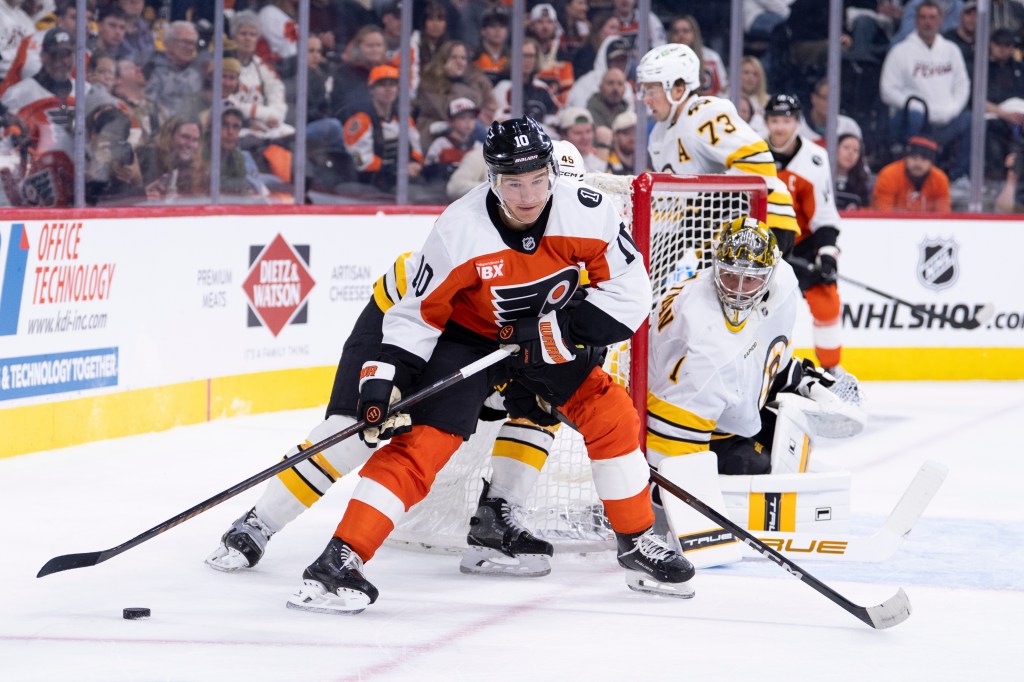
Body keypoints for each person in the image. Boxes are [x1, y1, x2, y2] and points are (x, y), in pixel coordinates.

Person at [286, 117, 694, 614]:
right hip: (470, 338)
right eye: (513, 183)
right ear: (492, 180)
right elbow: (419, 313)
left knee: (609, 411)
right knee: (426, 442)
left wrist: (556, 333)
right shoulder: (460, 228)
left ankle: (636, 541)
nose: (528, 195)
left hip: (546, 336)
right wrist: (385, 376)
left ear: (552, 172)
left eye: (538, 179)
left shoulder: (589, 213)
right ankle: (340, 557)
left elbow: (630, 297)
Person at [646, 217, 841, 487]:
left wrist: (794, 376)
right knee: (755, 464)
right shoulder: (705, 346)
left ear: (770, 273)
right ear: (715, 266)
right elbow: (668, 463)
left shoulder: (782, 284)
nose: (737, 290)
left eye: (749, 279)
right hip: (665, 419)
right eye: (729, 275)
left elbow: (759, 348)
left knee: (791, 431)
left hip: (699, 403)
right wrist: (680, 501)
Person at [637, 43, 799, 256]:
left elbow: (759, 165)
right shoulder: (659, 135)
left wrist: (704, 212)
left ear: (678, 89)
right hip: (717, 231)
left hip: (766, 221)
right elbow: (678, 204)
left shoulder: (705, 113)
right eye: (643, 89)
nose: (645, 99)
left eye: (651, 90)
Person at [764, 94, 848, 375]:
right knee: (764, 313)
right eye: (774, 120)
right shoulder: (754, 155)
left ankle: (831, 370)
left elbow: (823, 213)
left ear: (797, 123)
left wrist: (827, 254)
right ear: (766, 122)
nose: (780, 128)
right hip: (764, 246)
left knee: (827, 303)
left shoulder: (814, 158)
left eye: (786, 121)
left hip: (802, 245)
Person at [880, 0, 971, 181]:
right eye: (923, 17)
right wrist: (918, 106)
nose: (927, 22)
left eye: (932, 18)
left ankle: (958, 178)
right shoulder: (901, 51)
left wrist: (951, 109)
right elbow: (887, 90)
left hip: (945, 119)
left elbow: (963, 85)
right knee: (915, 116)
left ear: (941, 20)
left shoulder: (951, 50)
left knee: (971, 120)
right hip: (912, 120)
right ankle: (913, 176)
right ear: (915, 20)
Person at [343, 64, 423, 191]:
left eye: (392, 84)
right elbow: (360, 161)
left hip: (402, 178)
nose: (388, 89)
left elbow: (416, 148)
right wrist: (395, 169)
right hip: (372, 181)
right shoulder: (361, 119)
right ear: (372, 90)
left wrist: (415, 164)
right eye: (382, 85)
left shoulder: (404, 117)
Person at [413, 40, 494, 151]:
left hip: (471, 124)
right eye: (454, 58)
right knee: (474, 127)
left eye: (463, 58)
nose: (459, 62)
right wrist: (455, 81)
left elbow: (488, 104)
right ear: (443, 60)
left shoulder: (475, 79)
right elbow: (450, 111)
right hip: (437, 127)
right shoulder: (430, 82)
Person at [144, 20, 205, 125]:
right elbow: (147, 107)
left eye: (193, 43)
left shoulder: (197, 74)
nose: (190, 48)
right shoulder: (151, 70)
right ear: (168, 43)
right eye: (185, 42)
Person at [83, 104, 143, 206]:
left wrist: (136, 179)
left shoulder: (127, 153)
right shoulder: (79, 158)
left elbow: (142, 203)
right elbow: (76, 203)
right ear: (93, 135)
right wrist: (94, 171)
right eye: (106, 138)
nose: (111, 145)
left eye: (116, 140)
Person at [872, 135, 951, 211]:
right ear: (906, 158)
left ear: (932, 163)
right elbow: (883, 214)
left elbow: (943, 216)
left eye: (924, 159)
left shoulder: (940, 180)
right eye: (913, 158)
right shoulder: (889, 175)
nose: (918, 163)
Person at [137, 115, 206, 200]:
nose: (190, 144)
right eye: (185, 137)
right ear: (169, 135)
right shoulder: (149, 156)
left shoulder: (190, 166)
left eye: (195, 140)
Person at [667, 15, 727, 97]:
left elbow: (722, 91)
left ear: (695, 33)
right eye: (676, 32)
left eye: (685, 31)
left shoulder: (711, 58)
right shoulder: (665, 60)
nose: (680, 35)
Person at [423, 97, 479, 184]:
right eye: (462, 118)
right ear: (451, 121)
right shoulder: (440, 144)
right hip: (442, 192)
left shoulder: (478, 147)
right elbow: (428, 170)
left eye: (471, 117)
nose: (468, 121)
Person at [558, 107, 607, 172]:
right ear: (564, 135)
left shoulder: (599, 165)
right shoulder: (557, 164)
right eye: (578, 133)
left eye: (588, 131)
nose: (585, 137)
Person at [473, 7, 510, 86]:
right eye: (492, 26)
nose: (497, 30)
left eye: (502, 26)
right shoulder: (474, 57)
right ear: (483, 31)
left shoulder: (511, 58)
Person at [834, 133, 872, 210]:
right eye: (846, 147)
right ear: (834, 149)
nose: (850, 153)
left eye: (856, 150)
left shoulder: (862, 185)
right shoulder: (821, 177)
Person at [606, 110, 636, 175]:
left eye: (635, 133)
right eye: (626, 133)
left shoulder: (646, 162)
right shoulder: (606, 163)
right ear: (615, 136)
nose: (632, 138)